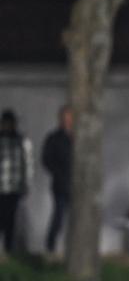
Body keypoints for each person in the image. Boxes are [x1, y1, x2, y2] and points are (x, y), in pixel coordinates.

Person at [41, 105, 73, 253]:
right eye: (64, 118)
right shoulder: (53, 138)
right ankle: (50, 246)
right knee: (58, 218)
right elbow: (46, 160)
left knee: (77, 220)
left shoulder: (79, 137)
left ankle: (73, 249)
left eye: (69, 118)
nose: (67, 121)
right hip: (60, 185)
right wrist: (58, 173)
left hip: (77, 186)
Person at [0, 109, 29, 254]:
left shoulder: (21, 141)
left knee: (10, 219)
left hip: (13, 188)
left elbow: (27, 164)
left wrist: (25, 186)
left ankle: (8, 249)